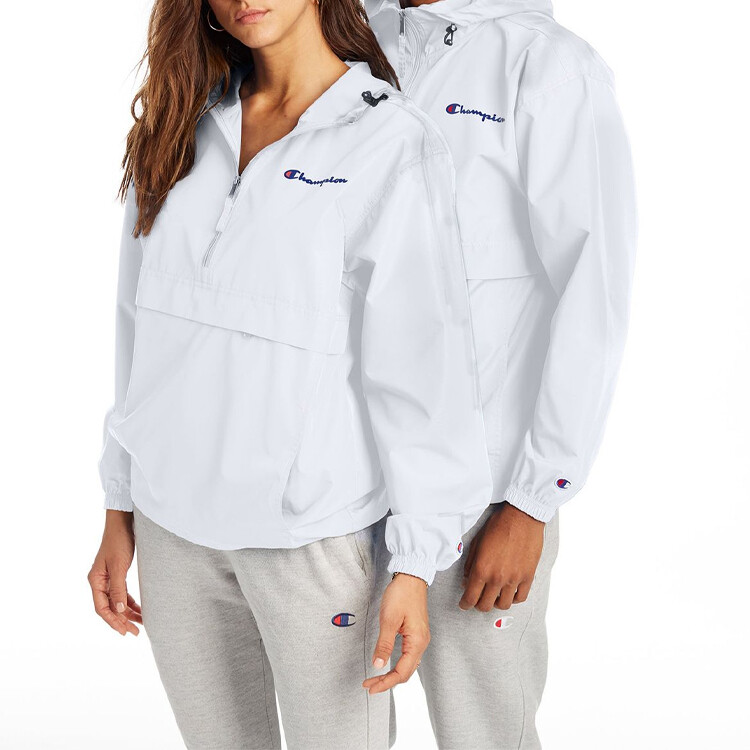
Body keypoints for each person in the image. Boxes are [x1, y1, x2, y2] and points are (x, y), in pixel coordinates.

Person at [87, 0, 493, 747]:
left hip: (310, 540)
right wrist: (120, 505)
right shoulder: (179, 125)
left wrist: (414, 564)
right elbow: (137, 334)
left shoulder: (388, 141)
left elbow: (424, 374)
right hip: (172, 532)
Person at [364, 0, 637, 747]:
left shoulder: (549, 65)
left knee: (484, 730)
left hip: (480, 492)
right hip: (339, 479)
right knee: (342, 719)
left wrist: (532, 501)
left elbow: (593, 292)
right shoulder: (352, 36)